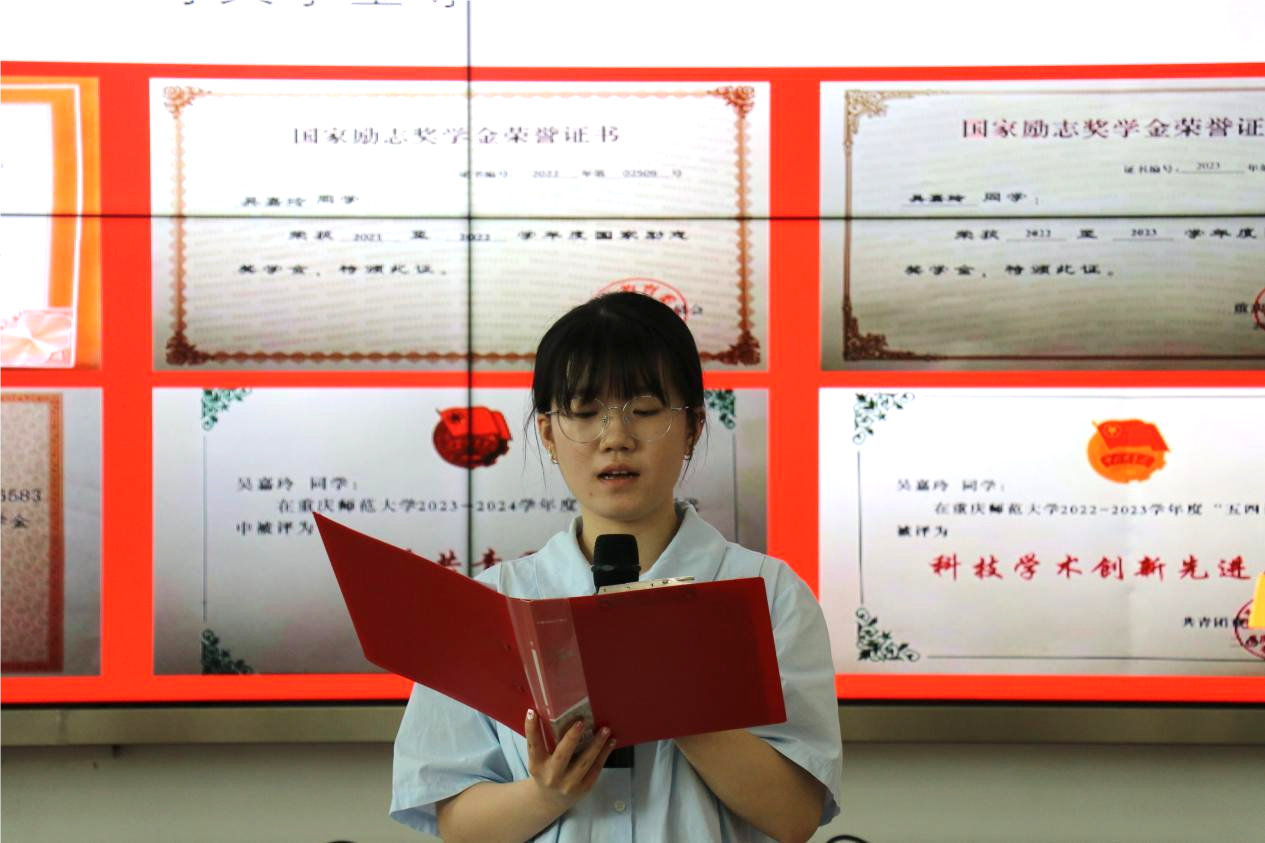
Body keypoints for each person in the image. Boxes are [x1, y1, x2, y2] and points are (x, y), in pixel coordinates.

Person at [391, 292, 842, 842]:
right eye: (585, 414)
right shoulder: (491, 603)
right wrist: (547, 794)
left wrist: (675, 706)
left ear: (694, 426)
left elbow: (794, 816)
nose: (615, 439)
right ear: (548, 433)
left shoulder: (768, 594)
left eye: (645, 411)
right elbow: (457, 824)